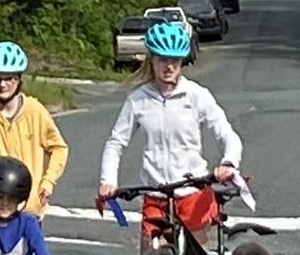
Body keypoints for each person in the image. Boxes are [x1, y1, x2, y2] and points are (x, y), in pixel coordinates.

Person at [96, 19, 241, 204]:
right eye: (163, 59)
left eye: (175, 60)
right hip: (156, 193)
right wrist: (108, 180)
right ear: (152, 60)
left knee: (198, 232)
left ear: (182, 62)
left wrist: (228, 163)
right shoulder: (138, 99)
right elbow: (115, 143)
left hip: (192, 190)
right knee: (152, 234)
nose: (169, 66)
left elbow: (227, 134)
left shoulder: (196, 95)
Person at [0, 42, 67, 216]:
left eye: (9, 79)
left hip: (27, 207)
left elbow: (59, 149)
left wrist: (48, 182)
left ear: (18, 81)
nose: (2, 85)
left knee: (34, 244)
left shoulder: (35, 111)